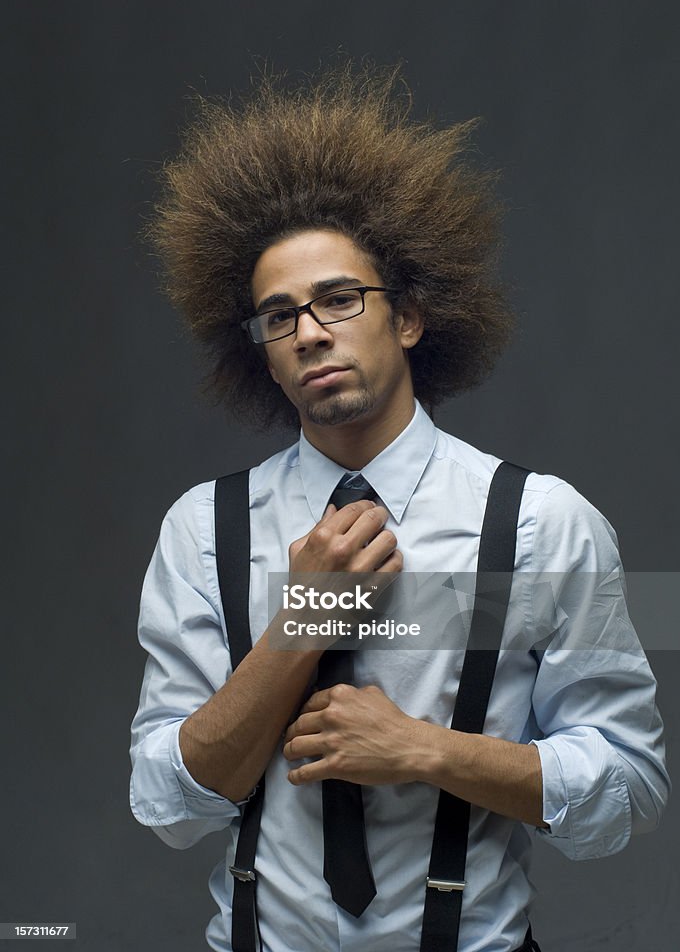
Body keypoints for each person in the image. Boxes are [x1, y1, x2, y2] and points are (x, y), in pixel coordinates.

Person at [129, 67, 669, 952]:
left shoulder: (538, 524)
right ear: (263, 355)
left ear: (410, 316)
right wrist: (301, 625)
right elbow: (167, 804)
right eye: (278, 317)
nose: (309, 331)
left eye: (340, 299)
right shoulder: (203, 531)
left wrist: (429, 751)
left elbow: (629, 792)